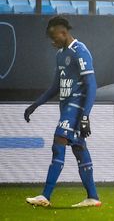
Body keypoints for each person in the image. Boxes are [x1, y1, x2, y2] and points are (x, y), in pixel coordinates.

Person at [24, 16, 101, 207]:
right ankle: (93, 197)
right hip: (66, 108)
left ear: (63, 32)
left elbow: (92, 85)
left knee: (58, 143)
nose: (52, 41)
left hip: (76, 108)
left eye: (54, 36)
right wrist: (35, 105)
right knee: (79, 149)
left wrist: (85, 116)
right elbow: (55, 87)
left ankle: (45, 196)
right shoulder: (60, 55)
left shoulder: (80, 51)